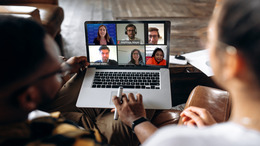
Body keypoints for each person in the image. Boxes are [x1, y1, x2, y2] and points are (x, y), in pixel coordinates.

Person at [113, 0, 260, 145]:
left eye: (208, 37)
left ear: (231, 64)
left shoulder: (174, 140)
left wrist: (137, 120)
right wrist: (216, 131)